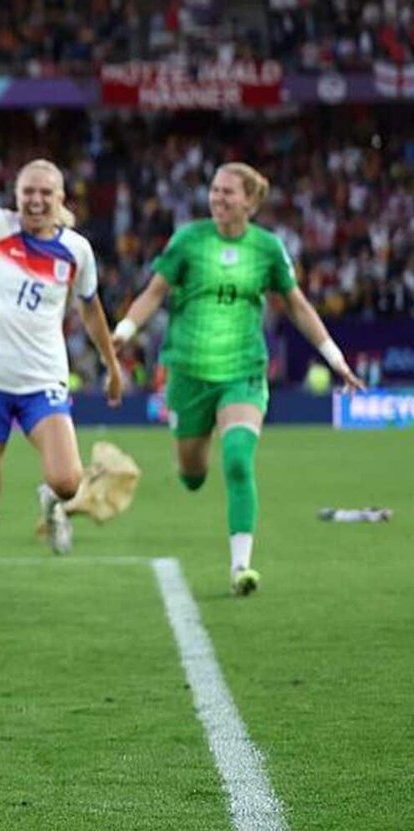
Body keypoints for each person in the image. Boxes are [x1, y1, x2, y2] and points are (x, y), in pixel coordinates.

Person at [0, 83, 123, 630]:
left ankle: (53, 507)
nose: (35, 200)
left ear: (60, 198)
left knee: (66, 481)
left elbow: (92, 311)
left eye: (45, 193)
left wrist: (112, 362)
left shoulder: (76, 251)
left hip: (41, 383)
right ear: (17, 194)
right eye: (28, 191)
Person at [113, 162, 364, 595]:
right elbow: (154, 293)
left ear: (250, 201)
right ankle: (194, 452)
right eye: (214, 190)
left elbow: (298, 305)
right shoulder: (189, 240)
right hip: (189, 373)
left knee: (237, 460)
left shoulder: (267, 248)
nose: (218, 198)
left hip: (243, 372)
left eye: (228, 192)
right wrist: (122, 334)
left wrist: (334, 357)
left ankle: (241, 567)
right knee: (193, 476)